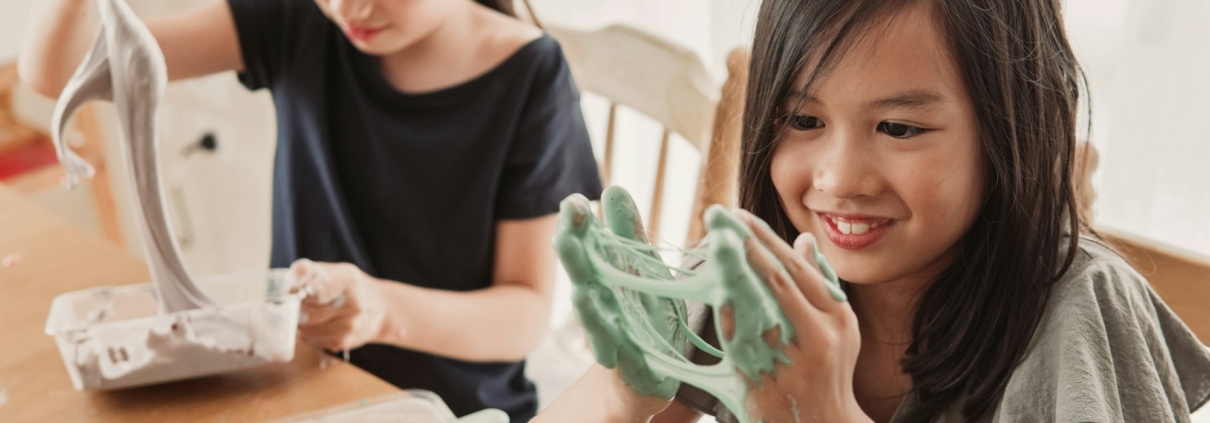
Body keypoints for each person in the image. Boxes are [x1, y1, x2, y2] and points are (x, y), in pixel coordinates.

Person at [534, 0, 1210, 422]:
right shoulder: (757, 274)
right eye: (802, 118)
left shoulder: (1080, 314)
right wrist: (619, 393)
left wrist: (826, 413)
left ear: (1008, 132)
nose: (838, 177)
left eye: (899, 128)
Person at [19, 0, 601, 420]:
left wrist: (383, 310)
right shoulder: (297, 17)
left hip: (454, 408)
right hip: (296, 386)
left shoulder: (532, 77)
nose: (350, 6)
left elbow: (522, 316)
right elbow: (56, 71)